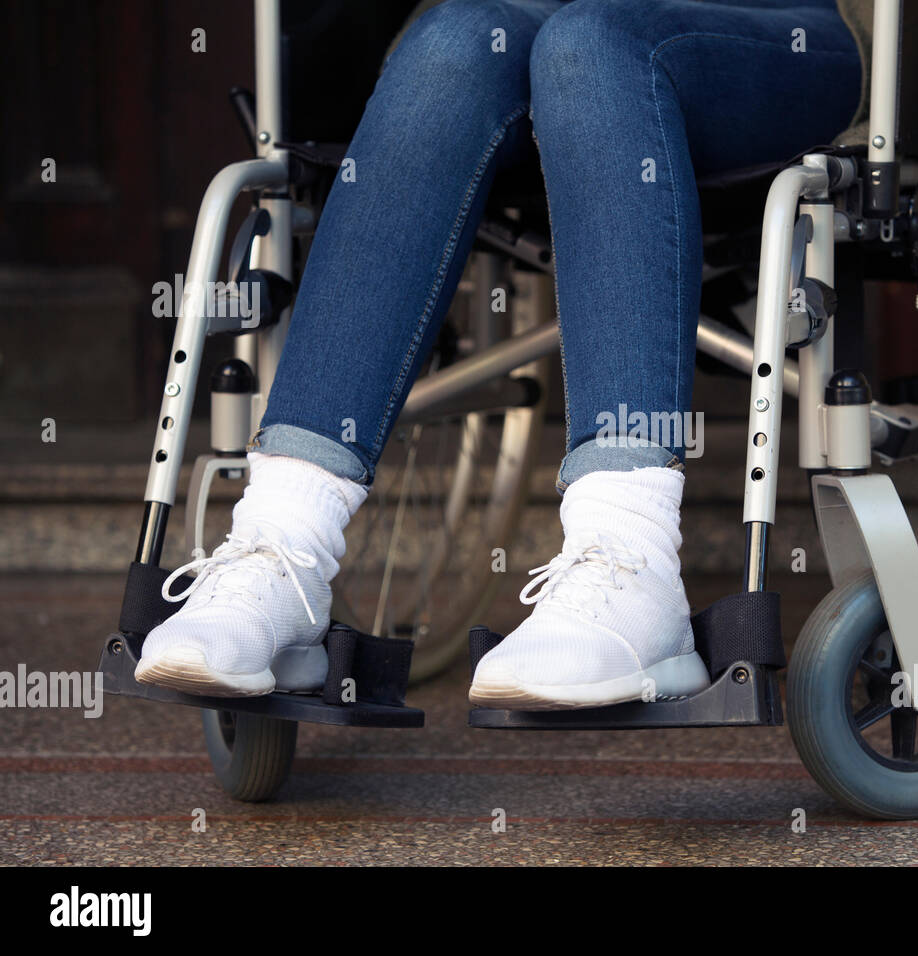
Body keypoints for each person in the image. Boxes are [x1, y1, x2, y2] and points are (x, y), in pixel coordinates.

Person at [136, 0, 863, 708]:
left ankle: (630, 556)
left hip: (778, 30)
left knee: (595, 41)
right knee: (448, 40)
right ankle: (282, 551)